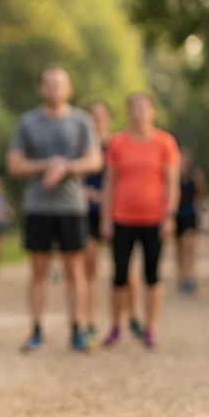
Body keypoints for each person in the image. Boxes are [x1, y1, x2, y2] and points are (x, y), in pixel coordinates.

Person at [6, 64, 102, 353]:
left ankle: (78, 328)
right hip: (38, 207)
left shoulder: (82, 121)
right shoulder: (28, 122)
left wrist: (67, 167)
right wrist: (46, 165)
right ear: (40, 89)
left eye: (59, 83)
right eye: (48, 83)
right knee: (38, 270)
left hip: (72, 207)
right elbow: (14, 164)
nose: (54, 88)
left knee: (75, 269)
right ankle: (36, 329)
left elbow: (95, 160)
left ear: (69, 88)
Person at [98, 93, 180, 349]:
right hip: (122, 217)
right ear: (128, 113)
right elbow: (109, 182)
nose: (138, 113)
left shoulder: (164, 142)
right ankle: (115, 326)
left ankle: (150, 327)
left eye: (143, 108)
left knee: (152, 275)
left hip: (154, 218)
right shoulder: (117, 143)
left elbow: (172, 183)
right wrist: (106, 217)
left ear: (152, 112)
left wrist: (169, 215)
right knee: (119, 274)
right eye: (133, 108)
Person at [82, 101, 137, 344]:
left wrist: (109, 196)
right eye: (93, 116)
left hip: (116, 211)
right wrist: (86, 193)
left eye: (101, 116)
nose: (97, 120)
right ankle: (91, 320)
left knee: (125, 268)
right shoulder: (81, 145)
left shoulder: (117, 144)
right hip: (86, 211)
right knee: (89, 265)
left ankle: (131, 315)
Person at [174, 150, 209, 294]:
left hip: (190, 214)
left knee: (189, 245)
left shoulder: (195, 176)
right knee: (179, 248)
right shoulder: (173, 176)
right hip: (177, 214)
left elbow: (201, 194)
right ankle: (181, 276)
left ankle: (190, 276)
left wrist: (201, 212)